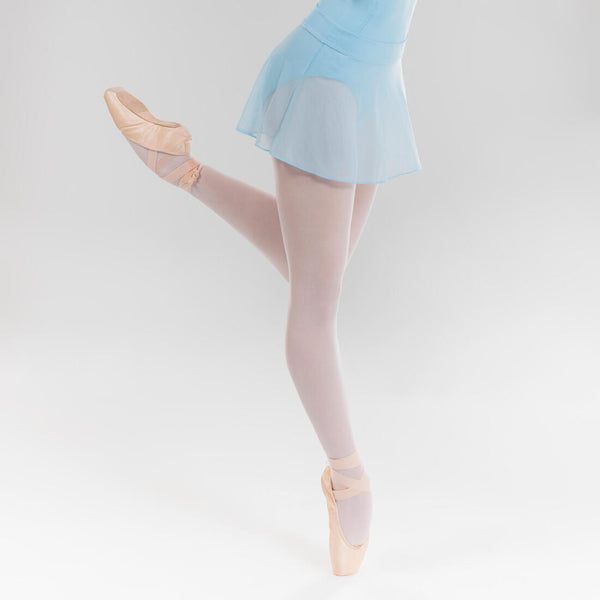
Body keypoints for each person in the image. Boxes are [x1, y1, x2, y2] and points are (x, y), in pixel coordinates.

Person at [104, 0, 421, 576]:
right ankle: (349, 479)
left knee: (317, 272)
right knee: (316, 305)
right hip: (329, 78)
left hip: (374, 78)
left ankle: (180, 167)